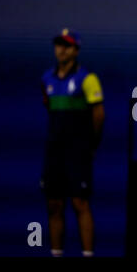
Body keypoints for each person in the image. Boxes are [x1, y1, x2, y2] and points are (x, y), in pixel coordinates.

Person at [41, 28, 105, 257]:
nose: (61, 49)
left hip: (78, 153)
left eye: (67, 45)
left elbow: (98, 115)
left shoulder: (87, 79)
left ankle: (88, 254)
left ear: (76, 50)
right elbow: (49, 107)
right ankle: (56, 253)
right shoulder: (46, 78)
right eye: (59, 44)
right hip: (54, 153)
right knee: (54, 205)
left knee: (80, 204)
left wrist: (90, 144)